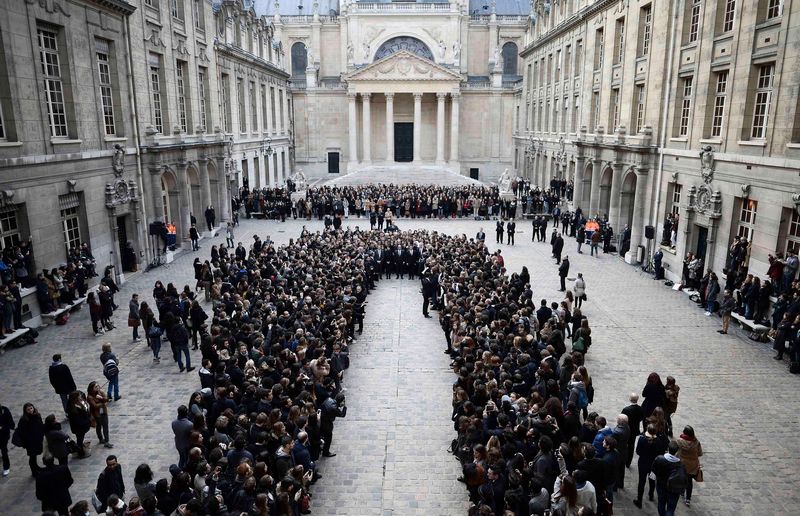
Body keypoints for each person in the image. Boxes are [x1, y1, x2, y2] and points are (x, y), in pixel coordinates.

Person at [632, 423, 668, 508]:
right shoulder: (658, 441)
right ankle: (651, 494)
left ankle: (639, 500)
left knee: (641, 481)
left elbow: (638, 451)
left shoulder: (642, 439)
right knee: (652, 479)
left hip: (643, 463)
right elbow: (660, 453)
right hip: (654, 464)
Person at [651, 440, 685, 516]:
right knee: (671, 508)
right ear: (677, 452)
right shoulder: (681, 465)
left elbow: (653, 472)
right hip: (674, 489)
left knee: (661, 503)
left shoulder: (659, 459)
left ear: (668, 449)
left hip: (661, 486)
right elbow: (684, 479)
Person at [676, 425, 703, 507]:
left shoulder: (680, 441)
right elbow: (700, 453)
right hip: (692, 466)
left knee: (682, 478)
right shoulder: (696, 442)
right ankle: (688, 499)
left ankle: (681, 491)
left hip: (683, 463)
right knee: (689, 481)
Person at [17, 402, 45, 476]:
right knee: (32, 456)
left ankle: (36, 467)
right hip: (30, 442)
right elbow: (22, 432)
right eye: (28, 409)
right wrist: (28, 441)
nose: (30, 410)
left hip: (37, 439)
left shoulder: (37, 415)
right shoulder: (24, 420)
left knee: (35, 455)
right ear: (25, 410)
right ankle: (34, 471)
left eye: (31, 408)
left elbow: (41, 425)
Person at [66, 391, 91, 459]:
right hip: (79, 427)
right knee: (79, 439)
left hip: (79, 426)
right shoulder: (73, 408)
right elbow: (79, 419)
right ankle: (80, 452)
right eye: (79, 396)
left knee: (80, 439)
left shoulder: (76, 405)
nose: (80, 397)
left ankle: (80, 450)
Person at [320, 393, 347, 457]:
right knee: (328, 437)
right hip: (326, 423)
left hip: (322, 418)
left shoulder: (328, 399)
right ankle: (326, 452)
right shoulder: (334, 408)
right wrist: (345, 406)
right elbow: (342, 414)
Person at [621, 393, 644, 468]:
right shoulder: (640, 409)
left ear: (630, 399)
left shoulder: (626, 409)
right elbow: (641, 418)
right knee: (631, 446)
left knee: (624, 444)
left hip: (626, 429)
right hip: (634, 430)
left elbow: (622, 420)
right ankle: (628, 462)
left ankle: (623, 459)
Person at [88, 381, 113, 449]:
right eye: (96, 387)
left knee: (105, 425)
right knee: (98, 426)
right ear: (91, 388)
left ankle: (107, 440)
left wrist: (101, 398)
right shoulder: (90, 397)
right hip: (97, 414)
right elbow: (95, 406)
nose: (98, 387)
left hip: (103, 412)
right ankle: (100, 438)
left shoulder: (100, 392)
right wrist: (102, 403)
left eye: (98, 386)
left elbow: (107, 399)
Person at [0, 401, 14, 476]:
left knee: (4, 451)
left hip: (2, 436)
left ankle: (6, 467)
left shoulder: (5, 411)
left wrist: (2, 427)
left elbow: (10, 423)